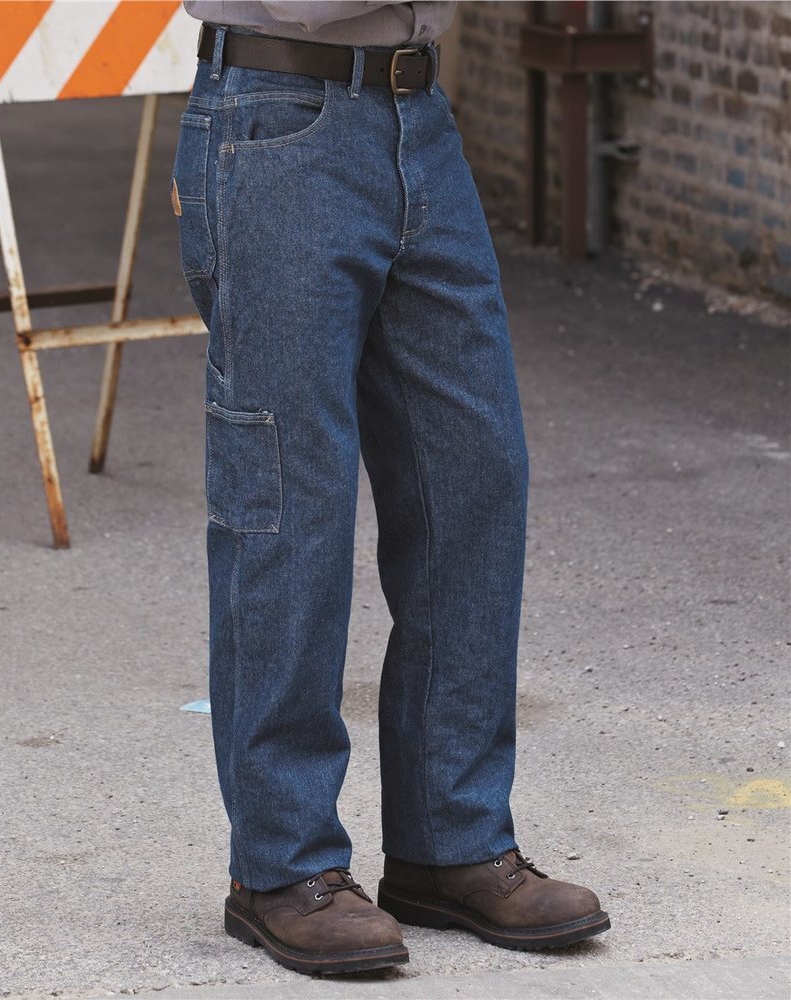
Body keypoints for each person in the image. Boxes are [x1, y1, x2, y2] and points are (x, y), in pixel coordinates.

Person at [172, 0, 610, 976]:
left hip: (418, 121)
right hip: (277, 119)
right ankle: (282, 866)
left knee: (474, 476)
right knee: (290, 498)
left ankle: (449, 844)